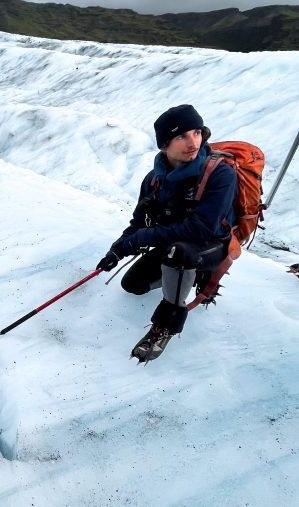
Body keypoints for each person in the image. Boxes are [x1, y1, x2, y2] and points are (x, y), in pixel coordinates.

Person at [96, 104, 238, 362]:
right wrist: (117, 249)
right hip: (173, 242)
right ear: (164, 145)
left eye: (197, 132)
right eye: (182, 136)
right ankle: (186, 275)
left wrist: (143, 238)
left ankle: (165, 325)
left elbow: (201, 229)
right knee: (133, 285)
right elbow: (139, 222)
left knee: (180, 253)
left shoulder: (220, 174)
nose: (193, 142)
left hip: (211, 243)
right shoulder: (154, 179)